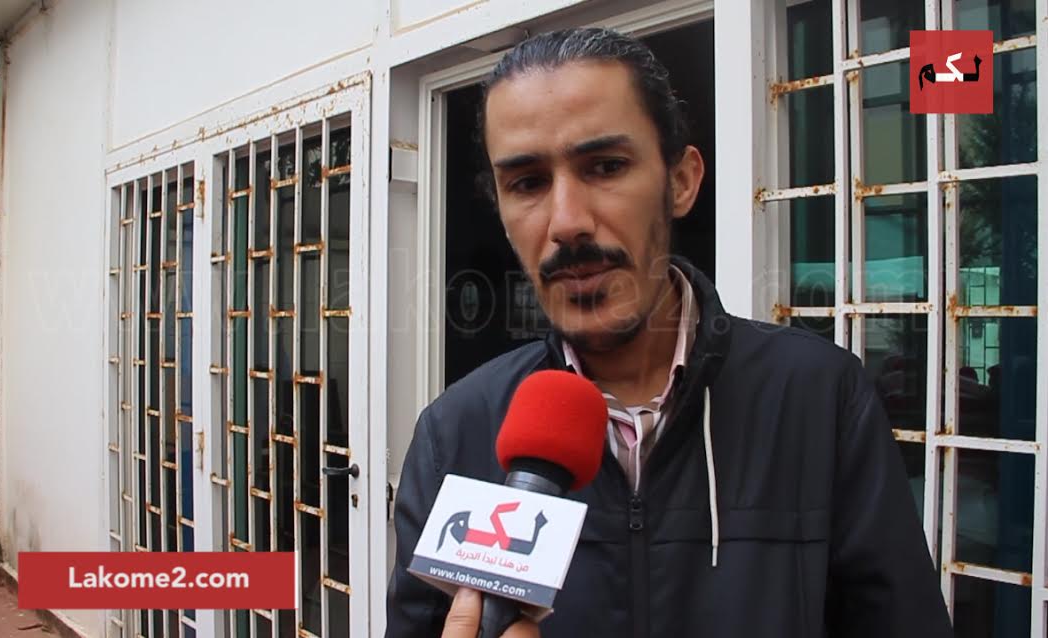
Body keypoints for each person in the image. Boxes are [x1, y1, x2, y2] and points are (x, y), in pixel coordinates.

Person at [386, 27, 953, 638]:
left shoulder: (819, 398)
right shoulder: (454, 435)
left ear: (680, 181)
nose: (567, 222)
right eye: (527, 183)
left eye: (606, 167)